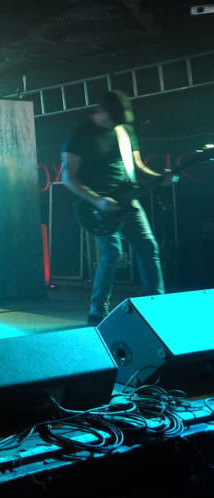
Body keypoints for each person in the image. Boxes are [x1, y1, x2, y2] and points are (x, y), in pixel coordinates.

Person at [62, 90, 168, 326]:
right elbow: (68, 177)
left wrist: (159, 177)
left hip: (128, 199)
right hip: (98, 205)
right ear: (100, 111)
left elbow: (138, 166)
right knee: (112, 254)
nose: (115, 125)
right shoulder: (80, 134)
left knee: (148, 247)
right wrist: (97, 200)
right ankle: (97, 312)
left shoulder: (124, 130)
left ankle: (155, 305)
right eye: (111, 119)